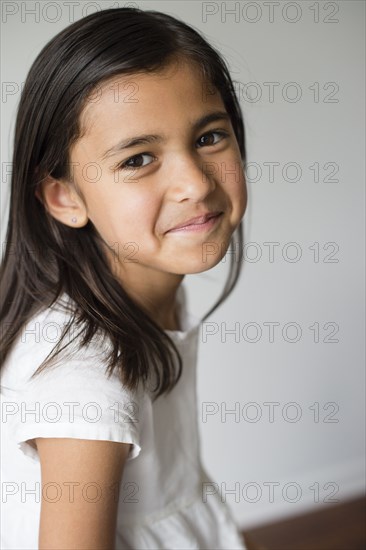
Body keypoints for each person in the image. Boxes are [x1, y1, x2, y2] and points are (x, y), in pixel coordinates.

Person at [0, 7, 248, 549]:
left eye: (209, 137)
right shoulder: (84, 381)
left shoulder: (147, 293)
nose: (194, 184)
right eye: (139, 159)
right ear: (65, 196)